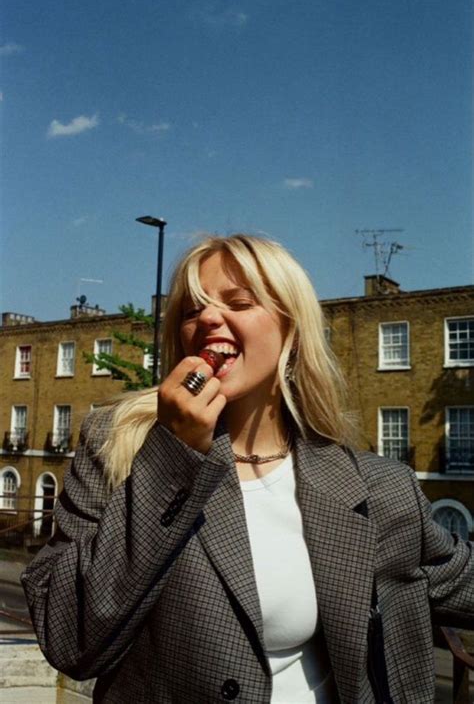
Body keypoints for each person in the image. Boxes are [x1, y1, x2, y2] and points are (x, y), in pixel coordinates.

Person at [22, 234, 473, 704]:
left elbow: (459, 580)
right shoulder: (117, 445)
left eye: (239, 302)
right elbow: (66, 636)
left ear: (291, 330)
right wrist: (173, 454)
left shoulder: (380, 488)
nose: (209, 318)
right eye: (192, 311)